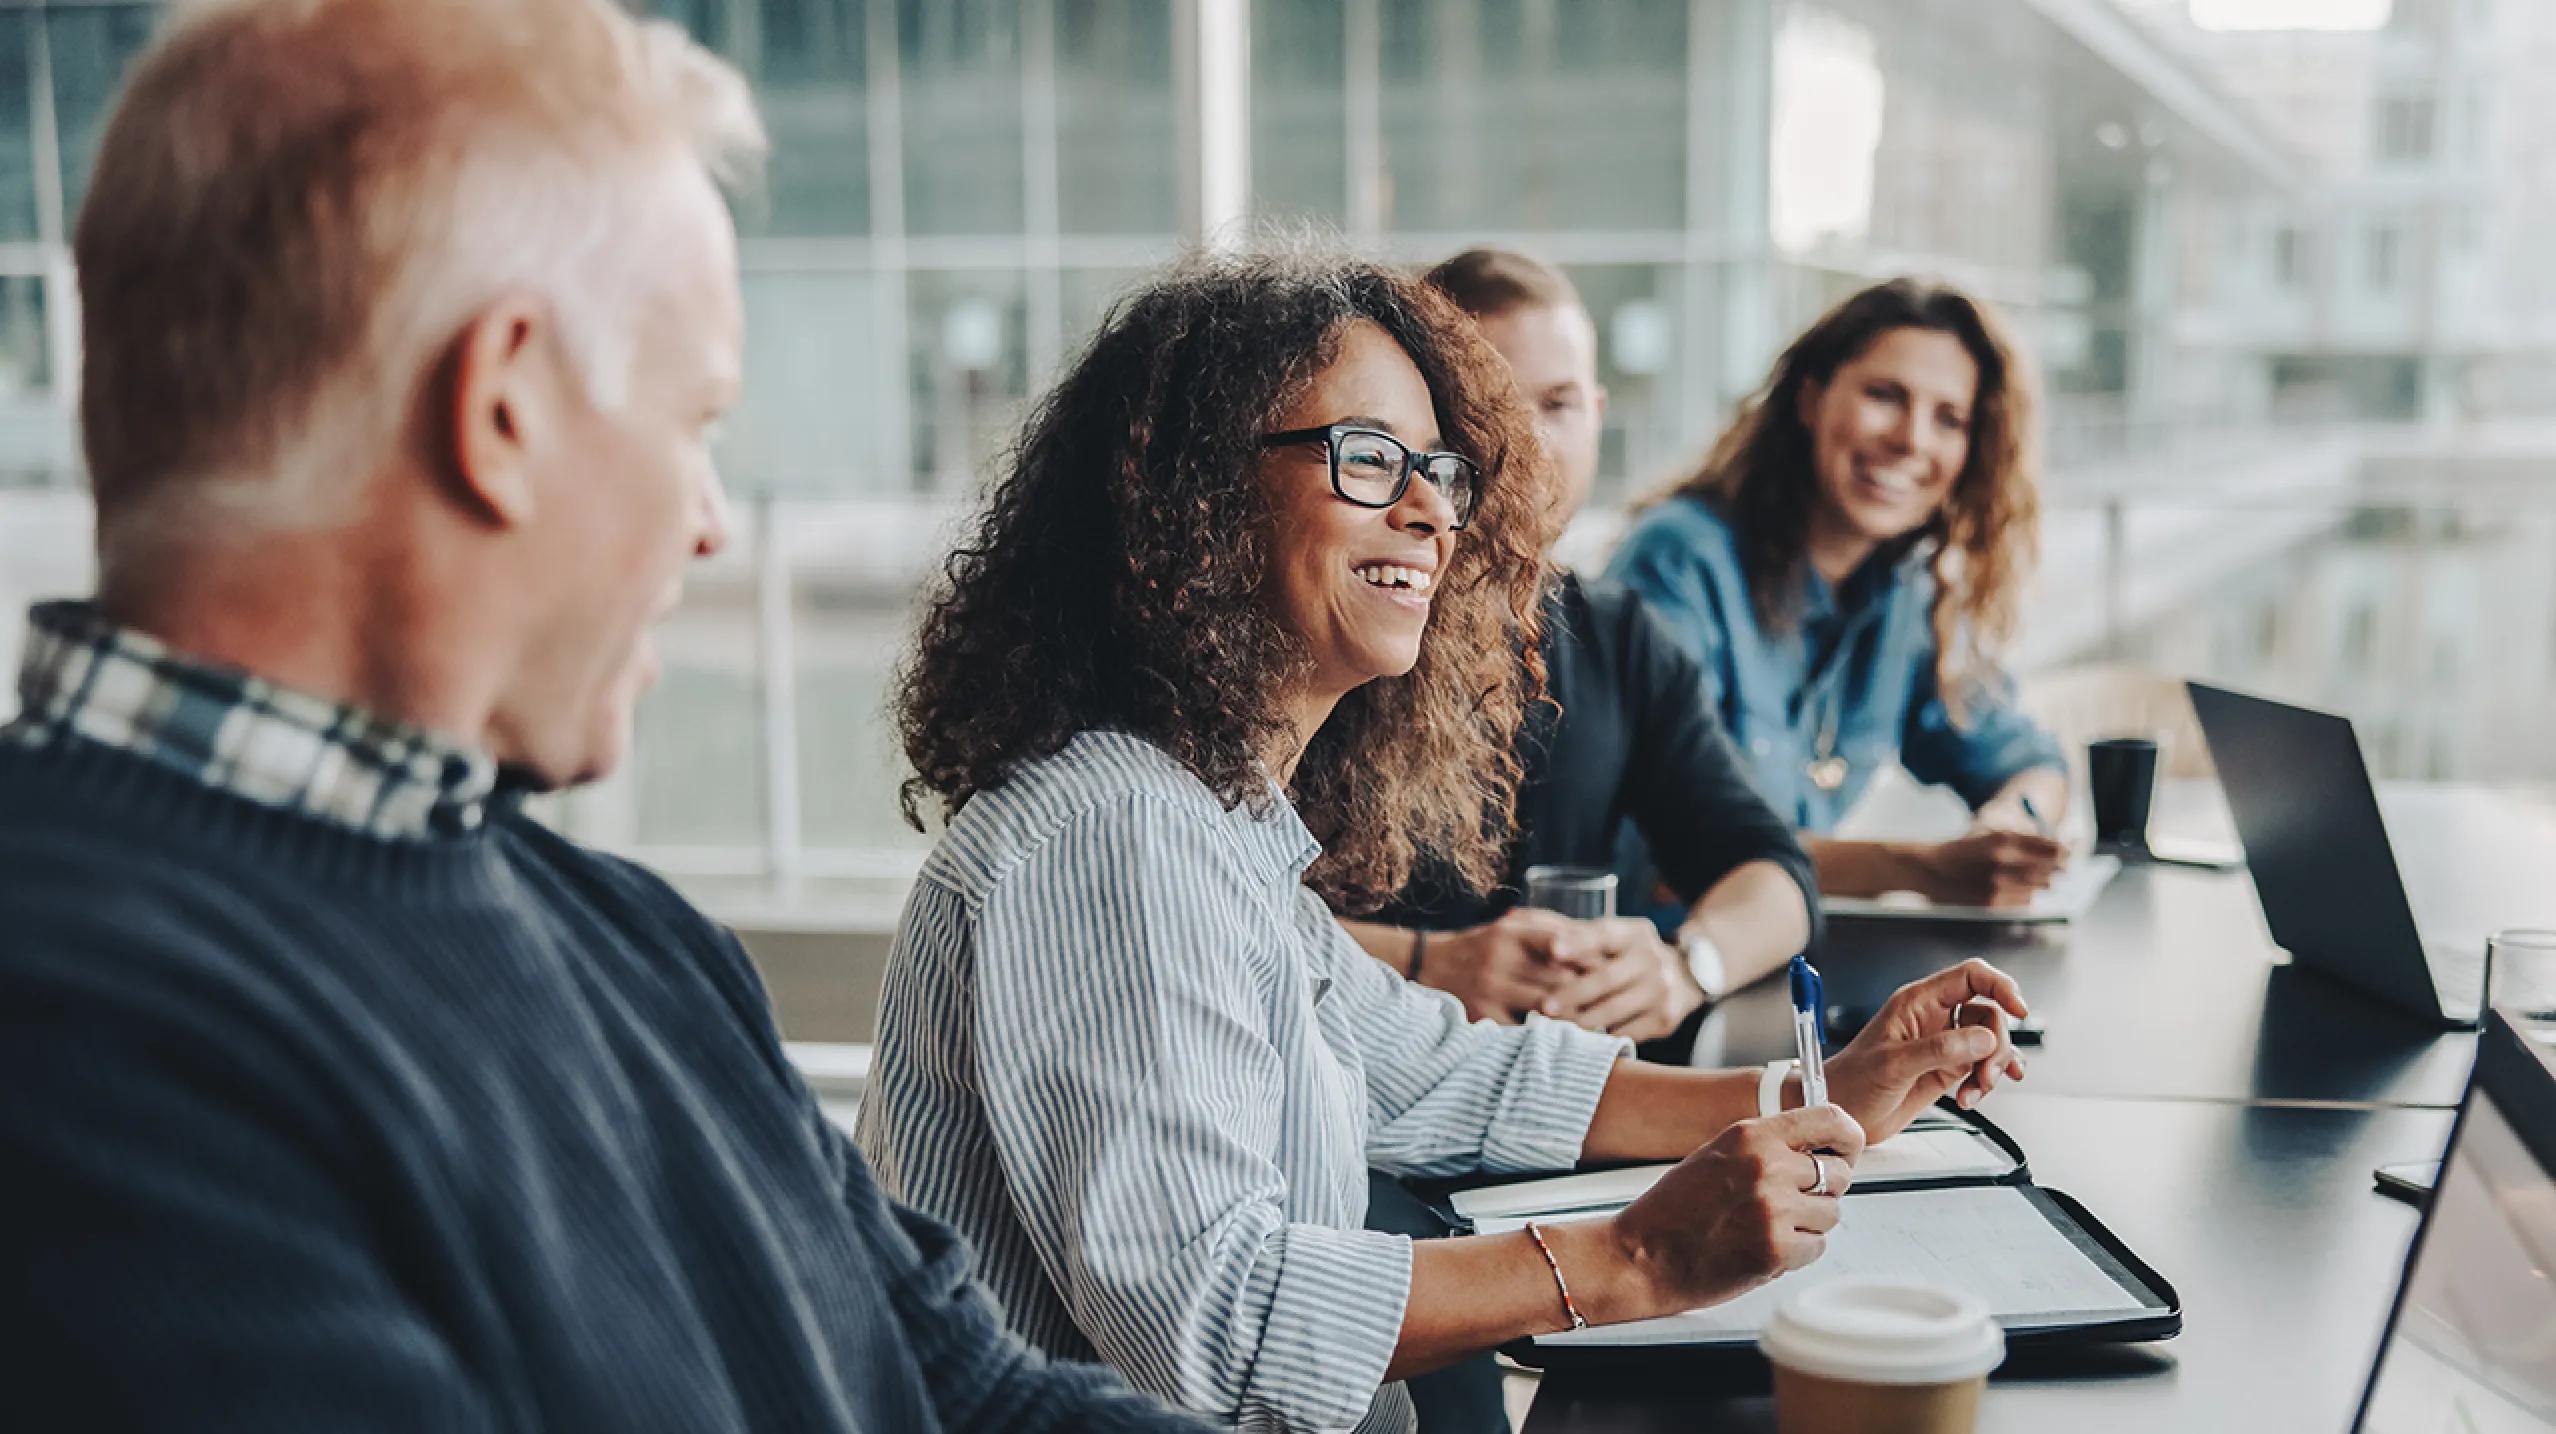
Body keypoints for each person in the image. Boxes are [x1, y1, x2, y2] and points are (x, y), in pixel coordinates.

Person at [0, 3, 1207, 1429]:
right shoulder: (76, 1038)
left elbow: (959, 1387)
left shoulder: (634, 939)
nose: (707, 524)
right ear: (501, 406)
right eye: (697, 421)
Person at [859, 249, 2033, 1433]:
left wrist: (1815, 1090)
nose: (1429, 508)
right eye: (1367, 459)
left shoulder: (1212, 817)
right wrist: (1640, 1254)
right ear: (1194, 496)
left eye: (1438, 470)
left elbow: (1444, 1074)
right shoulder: (1115, 839)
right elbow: (1213, 1322)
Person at [1336, 248, 1816, 1051]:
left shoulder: (1618, 637)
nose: (1524, 445)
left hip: (1576, 1116)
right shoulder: (1344, 622)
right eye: (1485, 409)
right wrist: (1427, 962)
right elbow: (1220, 904)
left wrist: (1685, 966)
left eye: (1555, 405)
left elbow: (1774, 874)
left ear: (1597, 413)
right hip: (1369, 1107)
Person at [1607, 278, 2071, 909]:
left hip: (1787, 960)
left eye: (1949, 419)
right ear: (1810, 400)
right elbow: (1661, 854)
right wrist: (1919, 868)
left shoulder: (1907, 593)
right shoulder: (1681, 560)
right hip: (1662, 970)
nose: (1912, 440)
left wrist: (2012, 827)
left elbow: (2028, 761)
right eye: (1885, 396)